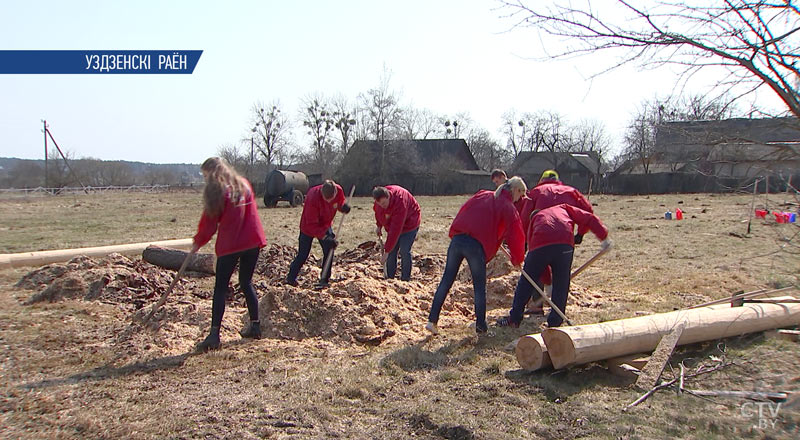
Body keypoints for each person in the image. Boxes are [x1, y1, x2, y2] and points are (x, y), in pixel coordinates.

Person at [426, 177, 527, 335]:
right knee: (479, 287)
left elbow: (466, 211)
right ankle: (481, 326)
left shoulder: (483, 195)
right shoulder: (508, 206)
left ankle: (432, 321)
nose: (519, 199)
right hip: (475, 247)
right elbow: (516, 235)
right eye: (520, 195)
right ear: (516, 190)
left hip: (458, 240)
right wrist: (517, 258)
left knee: (446, 281)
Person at [192, 157, 266, 352]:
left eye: (205, 175)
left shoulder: (217, 190)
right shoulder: (244, 184)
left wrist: (198, 241)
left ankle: (214, 335)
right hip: (252, 241)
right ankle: (255, 326)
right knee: (246, 282)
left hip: (231, 244)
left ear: (210, 173)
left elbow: (209, 222)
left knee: (220, 288)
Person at [497, 203, 610, 329]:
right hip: (565, 243)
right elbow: (589, 218)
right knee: (562, 284)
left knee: (526, 281)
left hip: (542, 244)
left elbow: (538, 261)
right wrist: (603, 237)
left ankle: (514, 319)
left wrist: (547, 282)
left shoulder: (535, 220)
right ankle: (555, 324)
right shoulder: (564, 208)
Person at [286, 179, 351, 288]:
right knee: (303, 254)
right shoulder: (312, 198)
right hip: (308, 227)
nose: (330, 202)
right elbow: (312, 225)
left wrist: (343, 207)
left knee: (329, 250)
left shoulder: (338, 190)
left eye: (332, 199)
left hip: (325, 224)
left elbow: (339, 202)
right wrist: (326, 237)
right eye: (327, 200)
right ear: (322, 193)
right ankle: (290, 278)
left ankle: (324, 279)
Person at [373, 185, 421, 281]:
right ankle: (390, 278)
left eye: (384, 203)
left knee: (404, 250)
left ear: (388, 197)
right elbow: (379, 214)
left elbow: (395, 229)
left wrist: (386, 251)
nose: (382, 206)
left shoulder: (400, 201)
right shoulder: (378, 204)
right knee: (392, 251)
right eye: (380, 204)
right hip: (393, 223)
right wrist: (379, 226)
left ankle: (405, 279)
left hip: (410, 222)